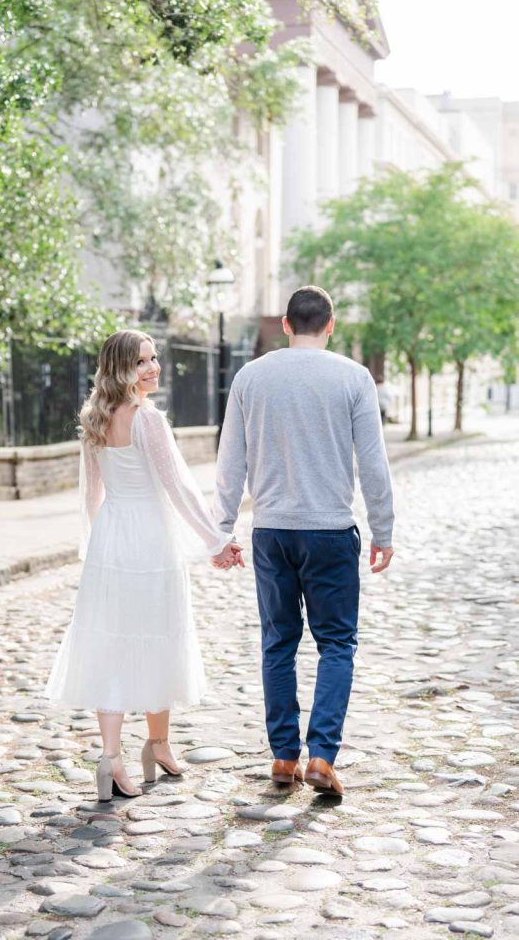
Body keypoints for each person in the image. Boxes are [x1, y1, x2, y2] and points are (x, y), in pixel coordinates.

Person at [44, 330, 242, 802]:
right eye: (141, 363)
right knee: (157, 636)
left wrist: (97, 545)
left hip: (112, 538)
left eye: (154, 359)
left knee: (114, 643)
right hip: (150, 539)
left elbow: (93, 495)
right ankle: (144, 748)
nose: (152, 368)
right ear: (120, 369)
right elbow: (179, 487)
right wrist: (217, 538)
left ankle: (127, 753)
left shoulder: (94, 417)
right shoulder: (146, 419)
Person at [213, 286, 394, 796]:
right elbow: (373, 464)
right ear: (331, 325)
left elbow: (232, 460)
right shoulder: (354, 378)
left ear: (286, 326)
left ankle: (283, 755)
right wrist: (384, 529)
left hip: (271, 530)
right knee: (337, 644)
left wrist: (221, 529)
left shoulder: (251, 376)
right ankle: (322, 756)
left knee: (278, 643)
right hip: (331, 531)